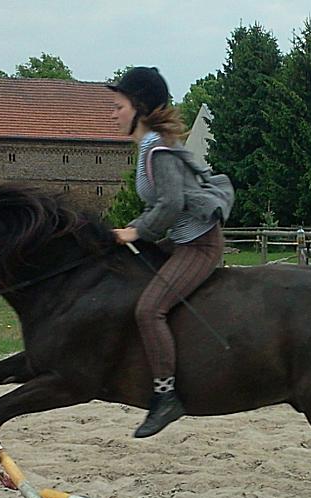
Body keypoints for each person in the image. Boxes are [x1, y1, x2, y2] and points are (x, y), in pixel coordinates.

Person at [107, 66, 233, 439]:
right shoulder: (151, 146)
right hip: (179, 239)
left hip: (198, 244)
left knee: (149, 309)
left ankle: (166, 396)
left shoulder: (158, 149)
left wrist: (136, 230)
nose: (112, 114)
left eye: (118, 106)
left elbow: (172, 203)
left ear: (140, 107)